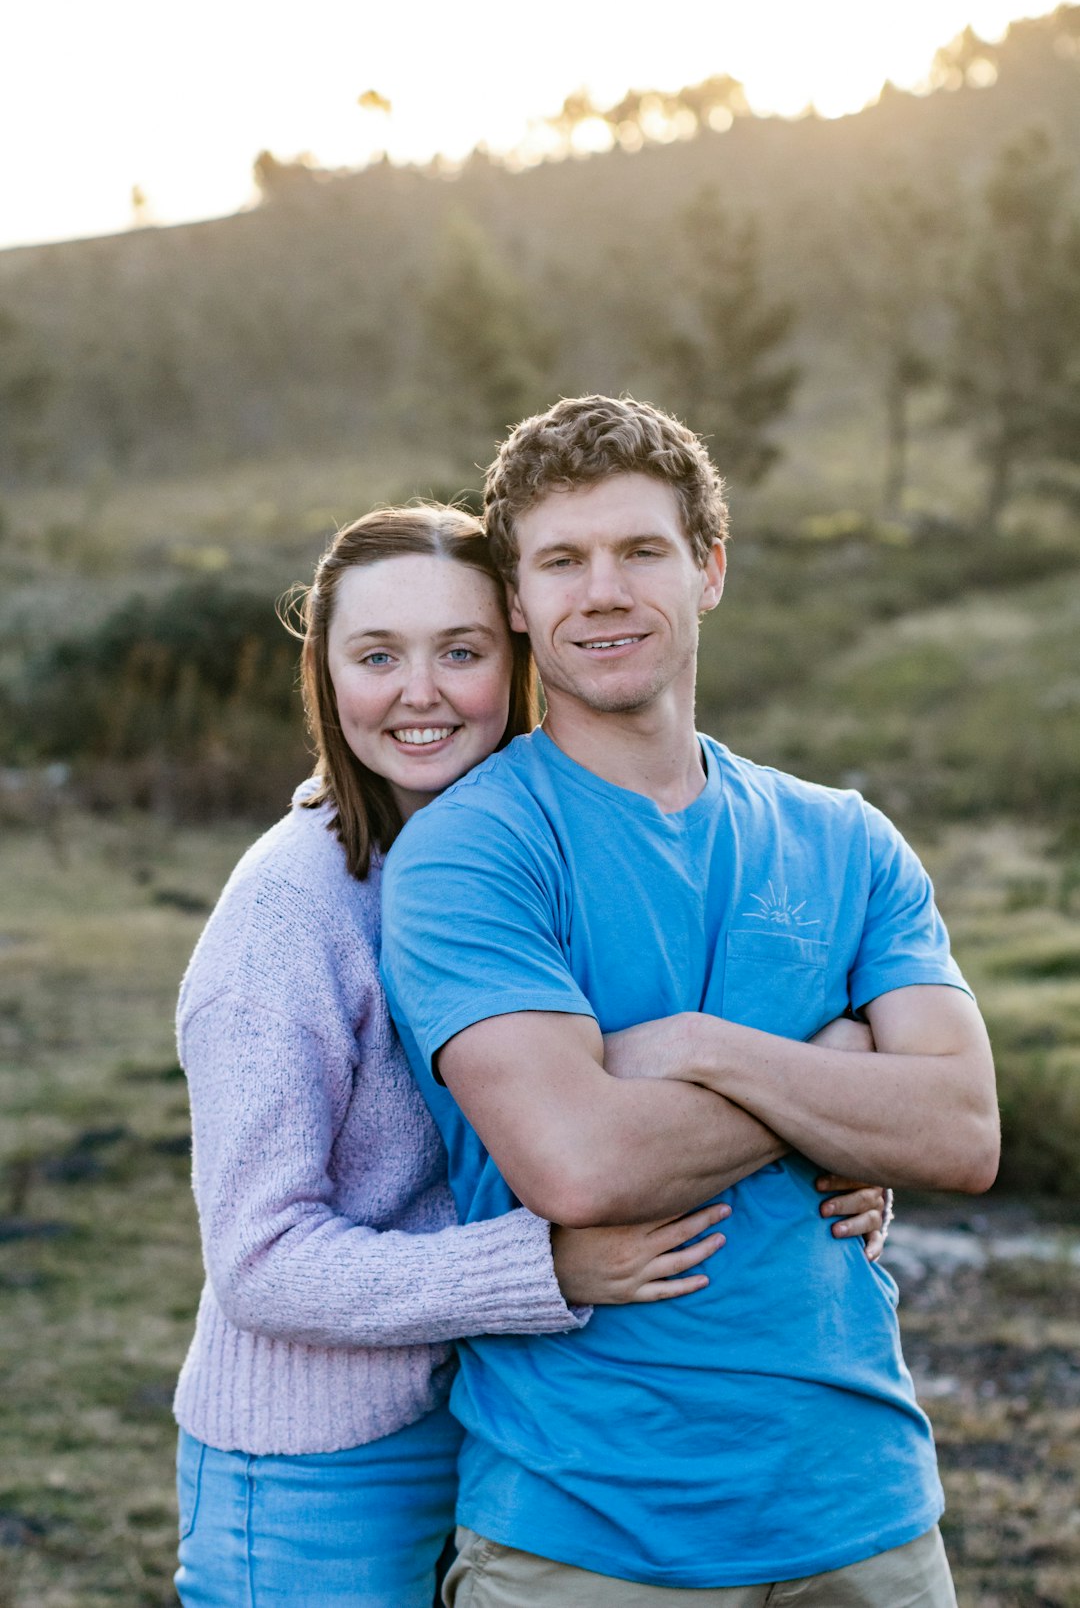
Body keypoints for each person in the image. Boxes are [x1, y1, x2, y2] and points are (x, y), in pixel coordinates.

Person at [172, 503, 889, 1608]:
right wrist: (540, 1267)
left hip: (484, 1418)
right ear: (324, 675)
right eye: (377, 656)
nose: (422, 692)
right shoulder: (287, 916)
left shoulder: (525, 861)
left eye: (461, 653)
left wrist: (834, 1127)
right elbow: (260, 1258)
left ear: (517, 655)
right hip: (319, 1461)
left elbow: (630, 1104)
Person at [380, 397, 1001, 1607]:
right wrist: (835, 1076)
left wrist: (708, 1050)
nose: (602, 591)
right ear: (516, 601)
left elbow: (965, 1131)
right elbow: (581, 1167)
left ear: (709, 569)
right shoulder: (474, 853)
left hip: (865, 1512)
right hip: (590, 1535)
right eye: (562, 561)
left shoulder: (845, 839)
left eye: (641, 551)